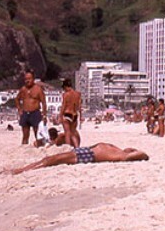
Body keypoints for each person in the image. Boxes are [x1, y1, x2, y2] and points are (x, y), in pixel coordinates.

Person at [10, 142, 149, 174]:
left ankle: (22, 170)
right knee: (51, 158)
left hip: (89, 155)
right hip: (86, 151)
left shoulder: (122, 155)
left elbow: (144, 155)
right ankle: (23, 169)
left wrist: (136, 152)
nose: (131, 148)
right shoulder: (118, 150)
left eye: (133, 149)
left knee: (51, 160)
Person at [15, 70, 47, 145]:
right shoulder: (23, 89)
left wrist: (44, 115)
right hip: (25, 113)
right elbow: (17, 99)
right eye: (26, 79)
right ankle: (24, 151)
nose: (27, 81)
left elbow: (44, 103)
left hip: (35, 113)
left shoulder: (38, 89)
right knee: (25, 135)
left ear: (33, 79)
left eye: (29, 78)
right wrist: (19, 109)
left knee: (38, 135)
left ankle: (39, 149)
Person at [59, 78, 82, 147]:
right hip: (75, 115)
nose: (64, 90)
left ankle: (68, 148)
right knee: (73, 133)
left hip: (67, 114)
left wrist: (60, 116)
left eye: (64, 88)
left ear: (65, 86)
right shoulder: (78, 94)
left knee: (67, 133)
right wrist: (81, 116)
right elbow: (79, 107)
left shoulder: (66, 94)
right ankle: (77, 148)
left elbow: (64, 106)